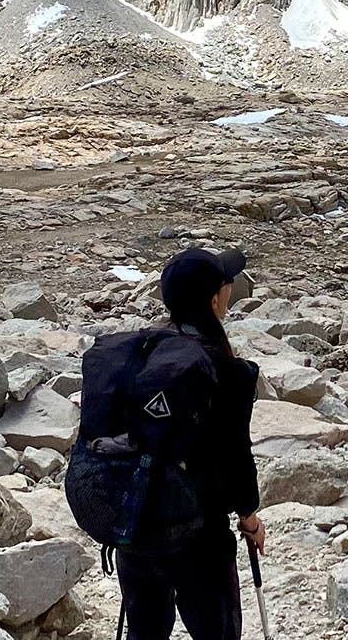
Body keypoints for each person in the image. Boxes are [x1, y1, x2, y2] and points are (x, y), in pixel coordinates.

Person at [115, 247, 264, 640]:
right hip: (197, 536)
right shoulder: (222, 368)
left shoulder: (140, 354)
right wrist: (249, 519)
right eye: (226, 284)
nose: (231, 288)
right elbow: (235, 458)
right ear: (215, 300)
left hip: (135, 527)